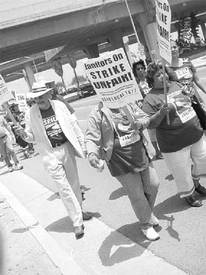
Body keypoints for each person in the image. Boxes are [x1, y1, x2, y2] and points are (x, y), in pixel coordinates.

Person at [15, 81, 92, 239]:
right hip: (49, 154)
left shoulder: (59, 106)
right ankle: (77, 222)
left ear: (49, 94)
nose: (39, 99)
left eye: (42, 96)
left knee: (74, 183)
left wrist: (83, 145)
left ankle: (80, 210)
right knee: (63, 188)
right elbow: (31, 138)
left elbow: (74, 125)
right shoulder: (30, 113)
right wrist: (23, 134)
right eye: (36, 97)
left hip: (66, 148)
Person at [86, 102, 161, 241]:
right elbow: (91, 137)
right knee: (137, 194)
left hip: (140, 153)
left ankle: (147, 213)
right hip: (119, 160)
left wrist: (141, 123)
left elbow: (145, 117)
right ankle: (145, 225)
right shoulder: (97, 112)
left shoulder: (129, 103)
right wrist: (92, 154)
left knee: (153, 185)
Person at [142, 62, 206, 207]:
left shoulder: (176, 85)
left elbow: (189, 101)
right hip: (174, 144)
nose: (162, 76)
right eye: (157, 75)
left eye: (163, 72)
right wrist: (161, 113)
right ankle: (189, 194)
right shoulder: (149, 99)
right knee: (181, 171)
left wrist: (190, 96)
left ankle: (195, 183)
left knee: (203, 159)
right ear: (151, 80)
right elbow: (150, 124)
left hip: (195, 134)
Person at [133, 60, 163, 159]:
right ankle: (158, 152)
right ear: (135, 71)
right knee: (152, 131)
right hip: (146, 110)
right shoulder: (135, 85)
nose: (141, 70)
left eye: (142, 68)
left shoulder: (150, 79)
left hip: (157, 105)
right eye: (138, 69)